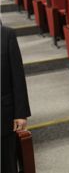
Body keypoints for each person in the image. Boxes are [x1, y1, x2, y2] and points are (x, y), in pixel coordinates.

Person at [1, 25, 31, 173]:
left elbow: (17, 76)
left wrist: (20, 113)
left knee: (8, 164)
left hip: (4, 116)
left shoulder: (7, 35)